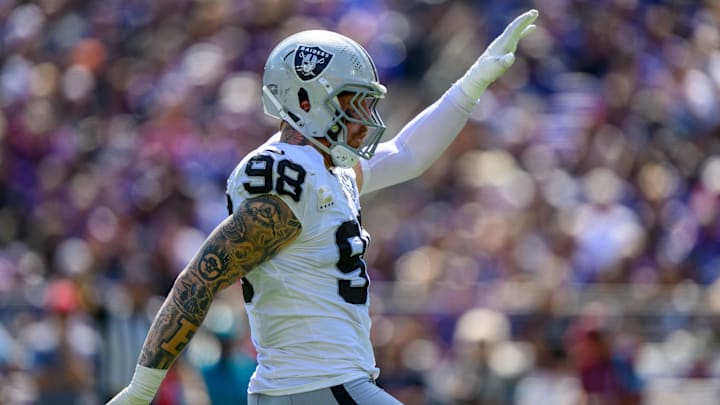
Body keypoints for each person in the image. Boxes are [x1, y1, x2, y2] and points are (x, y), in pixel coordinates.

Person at [107, 9, 539, 405]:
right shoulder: (285, 176)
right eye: (355, 103)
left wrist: (473, 83)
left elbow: (408, 154)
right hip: (313, 388)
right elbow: (199, 279)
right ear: (306, 101)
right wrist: (141, 391)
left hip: (323, 389)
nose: (366, 118)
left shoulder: (326, 169)